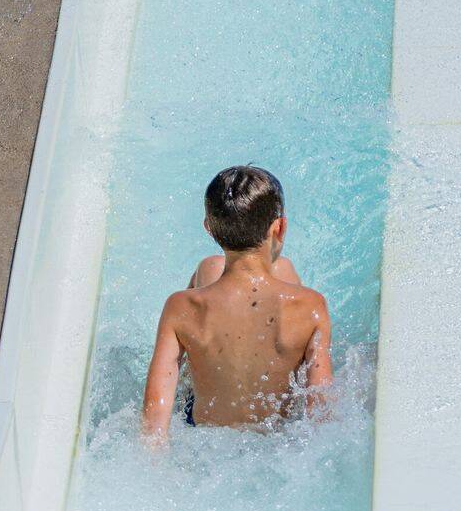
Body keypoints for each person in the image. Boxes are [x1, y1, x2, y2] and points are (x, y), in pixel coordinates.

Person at [141, 165, 332, 442]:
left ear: (209, 228)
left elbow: (154, 416)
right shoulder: (311, 306)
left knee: (210, 267)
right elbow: (320, 411)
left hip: (204, 432)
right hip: (279, 438)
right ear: (280, 227)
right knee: (284, 271)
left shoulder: (180, 307)